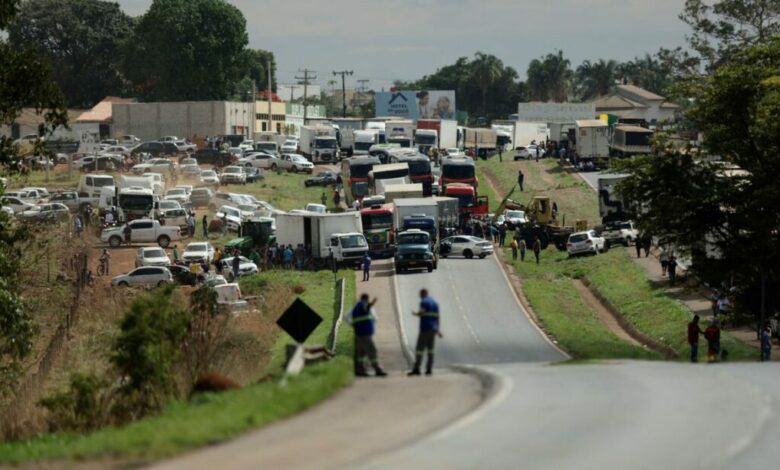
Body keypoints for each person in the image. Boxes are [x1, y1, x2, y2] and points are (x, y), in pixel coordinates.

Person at [347, 294, 386, 377]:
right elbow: (367, 307)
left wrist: (353, 325)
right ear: (366, 299)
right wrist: (373, 302)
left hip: (359, 334)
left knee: (361, 353)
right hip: (365, 334)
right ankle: (378, 369)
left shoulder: (356, 308)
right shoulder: (362, 305)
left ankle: (359, 370)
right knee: (372, 350)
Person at [409, 289, 441, 376]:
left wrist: (415, 314)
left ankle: (417, 368)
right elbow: (437, 317)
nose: (420, 297)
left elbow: (422, 312)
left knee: (419, 349)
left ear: (423, 294)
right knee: (431, 350)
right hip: (433, 329)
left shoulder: (424, 302)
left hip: (425, 329)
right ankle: (429, 369)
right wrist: (438, 330)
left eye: (420, 295)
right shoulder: (435, 303)